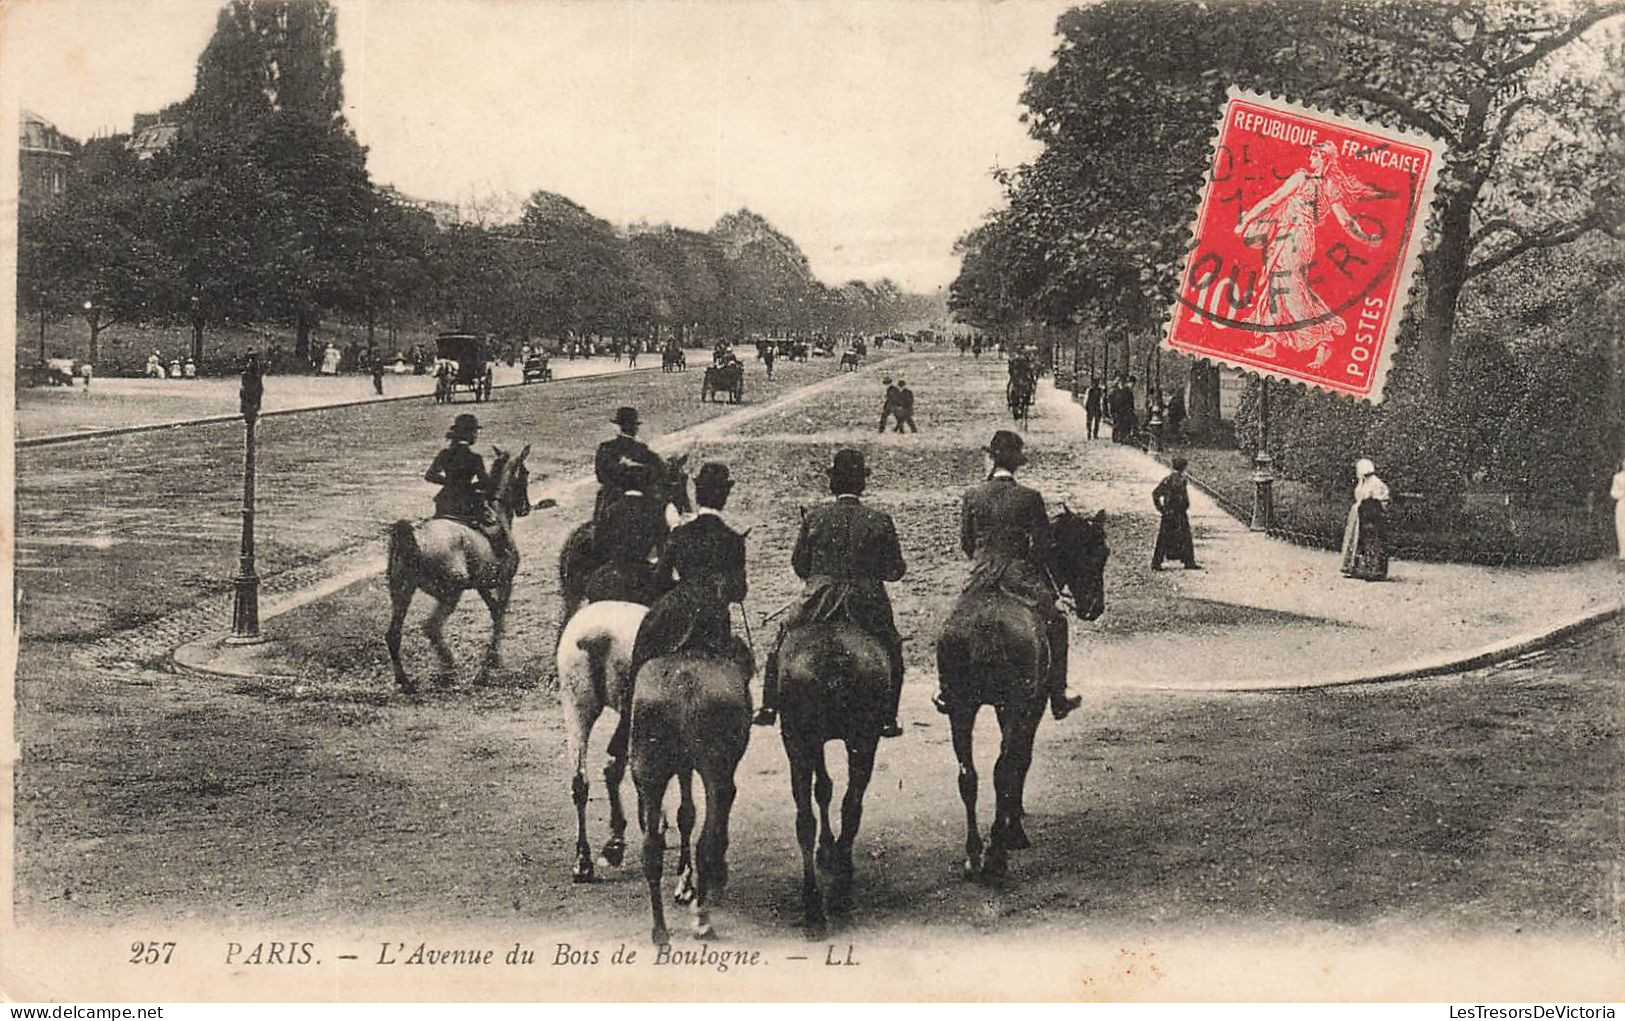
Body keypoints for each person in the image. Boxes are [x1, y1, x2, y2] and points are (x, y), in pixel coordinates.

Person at [756, 449, 907, 738]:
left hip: (819, 596)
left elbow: (800, 564)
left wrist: (821, 577)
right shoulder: (879, 519)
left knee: (782, 636)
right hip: (866, 598)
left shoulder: (814, 517)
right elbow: (895, 570)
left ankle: (769, 706)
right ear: (861, 484)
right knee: (891, 645)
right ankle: (888, 716)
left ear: (833, 483)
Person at [936, 430, 1082, 721]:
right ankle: (1058, 693)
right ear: (1017, 463)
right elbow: (1042, 546)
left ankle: (946, 689)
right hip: (1018, 576)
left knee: (952, 626)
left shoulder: (973, 495)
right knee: (1056, 622)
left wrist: (985, 560)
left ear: (992, 459)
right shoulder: (1030, 497)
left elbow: (966, 542)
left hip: (980, 575)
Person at [1235, 140, 1382, 370]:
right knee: (1281, 284)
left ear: (1324, 158)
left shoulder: (1303, 178)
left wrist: (1246, 219)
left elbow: (1273, 200)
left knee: (1289, 286)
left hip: (1294, 238)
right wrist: (1365, 237)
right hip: (1295, 237)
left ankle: (1322, 338)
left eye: (1314, 155)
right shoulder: (1329, 185)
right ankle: (1273, 341)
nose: (1310, 159)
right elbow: (1346, 222)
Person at [628, 462, 752, 682]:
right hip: (714, 617)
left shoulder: (680, 534)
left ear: (697, 495)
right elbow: (739, 592)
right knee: (744, 663)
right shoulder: (733, 539)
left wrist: (680, 588)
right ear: (724, 497)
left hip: (677, 608)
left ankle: (629, 705)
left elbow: (659, 581)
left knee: (642, 644)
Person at [424, 413, 510, 559]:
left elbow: (430, 475)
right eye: (475, 432)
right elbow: (486, 483)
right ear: (469, 434)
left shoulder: (444, 454)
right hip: (467, 502)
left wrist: (449, 483)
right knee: (495, 528)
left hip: (445, 501)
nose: (476, 435)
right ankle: (501, 556)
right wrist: (469, 486)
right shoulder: (475, 458)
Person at [584, 461, 671, 605]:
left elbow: (598, 546)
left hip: (613, 572)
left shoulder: (610, 510)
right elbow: (664, 548)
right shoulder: (655, 510)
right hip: (642, 575)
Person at [593, 406, 663, 522]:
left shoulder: (606, 447)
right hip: (642, 498)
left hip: (612, 497)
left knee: (599, 525)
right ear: (635, 428)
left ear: (619, 426)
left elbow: (601, 476)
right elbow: (657, 473)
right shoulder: (643, 450)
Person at [1340, 457, 1391, 581]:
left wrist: (1370, 507)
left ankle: (1374, 570)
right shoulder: (1362, 482)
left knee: (1371, 542)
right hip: (1359, 515)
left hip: (1371, 516)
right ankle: (1356, 567)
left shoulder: (1376, 483)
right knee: (1357, 540)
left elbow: (1381, 501)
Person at [1151, 456, 1201, 570]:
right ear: (1183, 468)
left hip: (1170, 512)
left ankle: (1157, 562)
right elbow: (1182, 497)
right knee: (1184, 537)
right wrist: (1163, 509)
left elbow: (1155, 494)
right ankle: (1188, 562)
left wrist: (1161, 508)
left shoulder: (1168, 479)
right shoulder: (1180, 480)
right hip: (1177, 512)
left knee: (1165, 538)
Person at [1612, 459, 1625, 562]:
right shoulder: (1618, 477)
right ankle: (1623, 554)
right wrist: (1622, 494)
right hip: (1622, 505)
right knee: (1621, 529)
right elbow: (1613, 493)